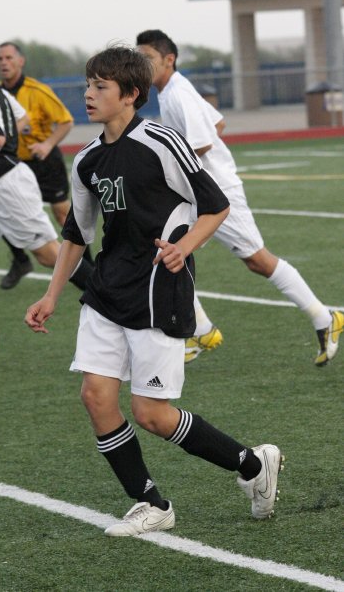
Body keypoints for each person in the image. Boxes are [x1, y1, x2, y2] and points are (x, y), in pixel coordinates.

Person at [25, 46, 283, 537]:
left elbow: (215, 205)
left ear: (131, 94)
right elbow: (77, 235)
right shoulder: (86, 159)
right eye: (88, 85)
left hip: (157, 291)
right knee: (95, 395)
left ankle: (252, 464)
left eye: (101, 86)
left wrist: (184, 247)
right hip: (106, 290)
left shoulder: (161, 140)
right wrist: (51, 295)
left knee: (152, 414)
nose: (89, 94)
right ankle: (151, 503)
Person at [136, 29, 343, 367]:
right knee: (165, 250)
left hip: (216, 195)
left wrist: (164, 169)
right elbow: (218, 124)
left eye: (147, 59)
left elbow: (203, 142)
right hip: (200, 192)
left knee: (257, 260)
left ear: (168, 59)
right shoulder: (176, 89)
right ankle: (200, 329)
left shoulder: (177, 95)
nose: (142, 66)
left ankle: (325, 318)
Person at [0, 27, 92, 358]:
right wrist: (4, 136)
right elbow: (21, 119)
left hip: (8, 185)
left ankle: (118, 304)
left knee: (50, 256)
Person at [0, 42, 93, 290]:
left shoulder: (37, 91)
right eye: (0, 59)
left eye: (9, 58)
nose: (4, 63)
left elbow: (66, 121)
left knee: (63, 214)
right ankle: (19, 260)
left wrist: (47, 145)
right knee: (3, 212)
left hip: (44, 163)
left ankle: (91, 268)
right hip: (13, 165)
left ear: (21, 61)